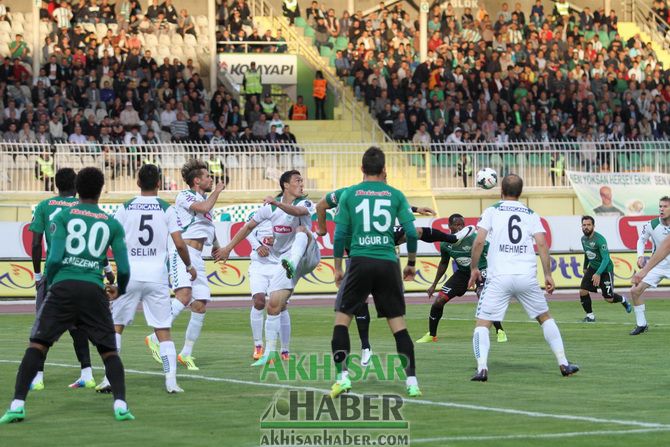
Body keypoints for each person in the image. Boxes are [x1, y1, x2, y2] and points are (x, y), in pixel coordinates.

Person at [0, 167, 134, 424]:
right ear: (100, 190)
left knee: (37, 345)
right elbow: (124, 267)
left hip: (63, 287)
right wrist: (120, 288)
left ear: (78, 189)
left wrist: (50, 283)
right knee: (109, 352)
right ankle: (120, 405)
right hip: (94, 290)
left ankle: (17, 405)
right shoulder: (111, 223)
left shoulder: (62, 217)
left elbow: (54, 258)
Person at [329, 147, 421, 398]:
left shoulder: (350, 194)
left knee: (342, 320)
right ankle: (412, 381)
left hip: (359, 261)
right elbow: (412, 233)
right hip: (388, 262)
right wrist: (411, 263)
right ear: (384, 170)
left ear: (361, 169)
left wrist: (338, 267)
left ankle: (343, 377)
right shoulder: (395, 195)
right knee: (398, 326)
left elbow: (339, 235)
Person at [468, 174, 579, 381]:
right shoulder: (530, 213)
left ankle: (482, 368)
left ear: (501, 190)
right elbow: (543, 244)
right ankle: (564, 363)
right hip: (526, 276)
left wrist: (474, 268)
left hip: (499, 277)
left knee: (483, 324)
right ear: (520, 193)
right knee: (544, 318)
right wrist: (548, 274)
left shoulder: (492, 210)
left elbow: (479, 241)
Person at [316, 185, 442, 366]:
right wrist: (322, 229)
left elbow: (390, 205)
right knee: (385, 313)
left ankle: (344, 372)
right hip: (365, 255)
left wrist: (414, 209)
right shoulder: (347, 194)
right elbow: (321, 205)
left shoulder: (362, 193)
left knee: (348, 312)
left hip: (368, 253)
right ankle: (374, 352)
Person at [97, 164, 196, 394]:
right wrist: (189, 266)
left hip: (128, 275)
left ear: (138, 183)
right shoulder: (166, 209)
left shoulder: (126, 207)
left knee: (116, 328)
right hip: (156, 277)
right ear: (159, 184)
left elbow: (108, 238)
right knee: (163, 330)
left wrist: (109, 269)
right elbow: (179, 243)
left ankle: (108, 379)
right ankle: (171, 382)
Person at [220, 170, 321, 367]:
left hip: (308, 256)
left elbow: (297, 213)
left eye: (302, 180)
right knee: (274, 305)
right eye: (298, 181)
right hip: (283, 262)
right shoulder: (268, 210)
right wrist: (228, 248)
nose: (302, 184)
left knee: (301, 230)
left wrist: (276, 203)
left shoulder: (305, 203)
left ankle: (292, 262)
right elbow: (247, 227)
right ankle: (269, 352)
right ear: (286, 185)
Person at [28, 168, 114, 391]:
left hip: (55, 273)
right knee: (79, 326)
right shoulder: (84, 209)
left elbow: (36, 243)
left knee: (43, 326)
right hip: (81, 273)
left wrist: (38, 275)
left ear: (56, 185)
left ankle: (37, 377)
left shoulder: (45, 206)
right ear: (76, 186)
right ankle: (87, 373)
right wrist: (106, 269)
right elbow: (96, 243)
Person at [146, 160, 226, 371]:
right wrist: (217, 191)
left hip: (198, 255)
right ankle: (155, 336)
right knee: (184, 295)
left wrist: (217, 246)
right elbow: (204, 207)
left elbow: (207, 225)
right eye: (208, 176)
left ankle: (186, 353)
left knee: (200, 304)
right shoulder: (185, 196)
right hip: (182, 252)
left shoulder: (203, 199)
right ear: (197, 180)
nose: (211, 179)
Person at [416, 214, 507, 344]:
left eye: (461, 225)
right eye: (457, 225)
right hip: (463, 273)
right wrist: (434, 284)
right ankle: (432, 335)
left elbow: (493, 252)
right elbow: (443, 263)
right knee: (439, 301)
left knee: (483, 296)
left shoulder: (473, 238)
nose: (460, 228)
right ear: (450, 226)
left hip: (481, 270)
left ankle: (500, 331)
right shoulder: (445, 243)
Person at [246, 213, 292, 360]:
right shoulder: (257, 215)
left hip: (278, 266)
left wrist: (277, 240)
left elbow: (293, 239)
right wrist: (258, 246)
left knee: (282, 306)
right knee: (259, 302)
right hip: (259, 266)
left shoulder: (286, 218)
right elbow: (246, 231)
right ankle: (258, 346)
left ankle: (285, 350)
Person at [579, 215, 632, 322]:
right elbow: (587, 253)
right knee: (583, 291)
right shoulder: (583, 239)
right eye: (584, 225)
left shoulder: (600, 240)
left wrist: (598, 273)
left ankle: (623, 300)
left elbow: (606, 258)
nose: (586, 227)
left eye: (589, 225)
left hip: (605, 269)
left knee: (609, 298)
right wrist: (585, 267)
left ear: (593, 226)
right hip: (593, 268)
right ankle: (590, 316)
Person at [629, 197, 670, 335]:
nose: (661, 209)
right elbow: (641, 240)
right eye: (660, 206)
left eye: (665, 206)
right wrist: (640, 256)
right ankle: (642, 324)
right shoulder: (651, 225)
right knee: (635, 290)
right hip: (657, 266)